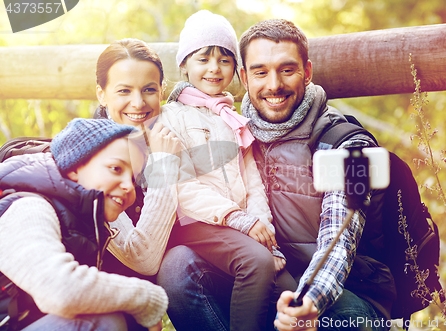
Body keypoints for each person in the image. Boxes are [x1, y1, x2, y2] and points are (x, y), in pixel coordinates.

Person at [162, 18, 396, 331]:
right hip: (263, 273)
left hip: (338, 291)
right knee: (178, 269)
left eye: (287, 70)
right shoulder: (232, 127)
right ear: (244, 78)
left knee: (349, 322)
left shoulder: (348, 144)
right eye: (260, 72)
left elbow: (340, 239)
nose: (274, 84)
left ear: (307, 72)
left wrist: (308, 301)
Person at [156, 10, 287, 331]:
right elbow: (180, 186)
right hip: (196, 222)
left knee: (289, 290)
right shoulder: (171, 116)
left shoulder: (232, 117)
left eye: (224, 59)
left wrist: (263, 231)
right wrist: (235, 218)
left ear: (235, 69)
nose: (214, 68)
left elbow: (253, 182)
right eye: (203, 59)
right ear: (184, 64)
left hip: (237, 225)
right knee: (255, 262)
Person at [0, 118, 168, 331]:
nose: (128, 186)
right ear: (75, 167)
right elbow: (59, 290)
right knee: (104, 321)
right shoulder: (29, 207)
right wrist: (147, 298)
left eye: (133, 178)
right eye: (116, 168)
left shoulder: (81, 222)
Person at [93, 38, 181, 284]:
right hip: (104, 299)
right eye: (124, 90)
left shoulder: (170, 136)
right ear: (101, 94)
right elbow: (144, 260)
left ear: (162, 90)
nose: (138, 103)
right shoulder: (91, 159)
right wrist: (164, 163)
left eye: (149, 89)